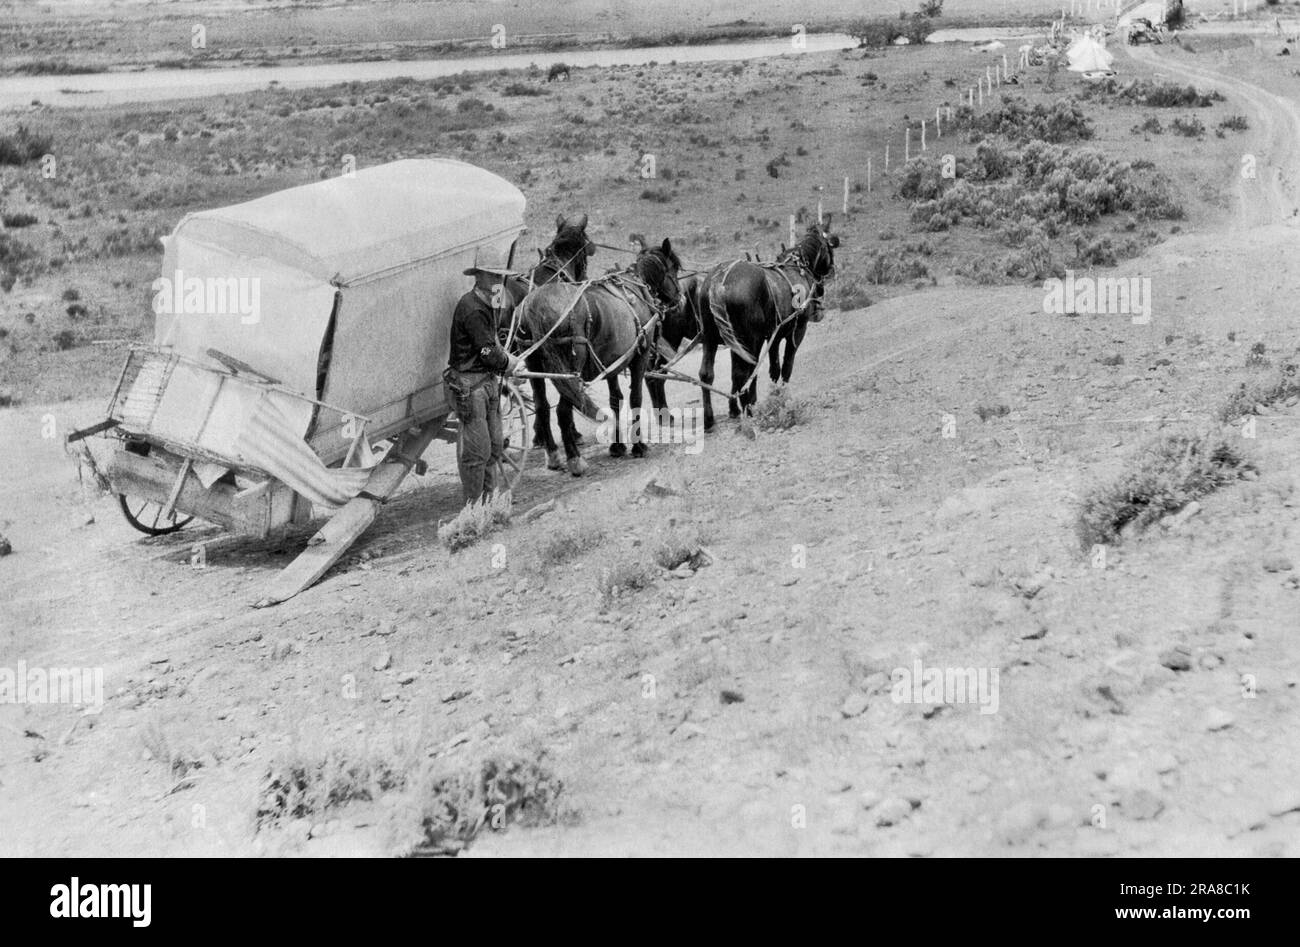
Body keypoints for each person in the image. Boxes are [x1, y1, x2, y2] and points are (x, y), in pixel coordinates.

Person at [444, 246, 521, 508]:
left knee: (496, 447)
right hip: (469, 387)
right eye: (494, 276)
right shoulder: (472, 308)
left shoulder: (491, 298)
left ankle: (490, 504)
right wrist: (508, 361)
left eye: (500, 277)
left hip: (486, 382)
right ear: (480, 276)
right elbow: (487, 351)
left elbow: (495, 333)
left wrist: (501, 352)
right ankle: (473, 510)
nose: (499, 282)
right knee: (478, 453)